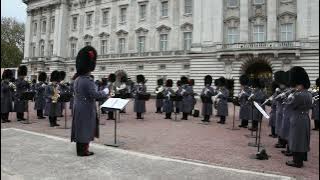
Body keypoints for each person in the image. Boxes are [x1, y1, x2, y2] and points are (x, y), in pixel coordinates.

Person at [71, 46, 109, 157]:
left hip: (78, 105)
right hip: (86, 107)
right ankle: (84, 151)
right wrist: (105, 91)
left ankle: (81, 149)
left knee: (80, 127)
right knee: (86, 127)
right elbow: (95, 95)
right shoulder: (87, 80)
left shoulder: (77, 79)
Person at [285, 66, 312, 168]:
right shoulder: (307, 94)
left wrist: (289, 97)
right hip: (304, 118)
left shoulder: (299, 95)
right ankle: (300, 159)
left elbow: (290, 105)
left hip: (297, 119)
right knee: (302, 139)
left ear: (300, 84)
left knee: (296, 139)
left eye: (297, 85)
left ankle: (297, 161)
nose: (295, 87)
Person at [274, 71, 289, 148]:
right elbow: (275, 99)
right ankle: (280, 141)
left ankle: (283, 142)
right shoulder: (279, 90)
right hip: (279, 111)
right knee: (279, 126)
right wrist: (277, 93)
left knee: (283, 127)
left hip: (284, 111)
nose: (280, 85)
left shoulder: (287, 91)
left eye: (281, 84)